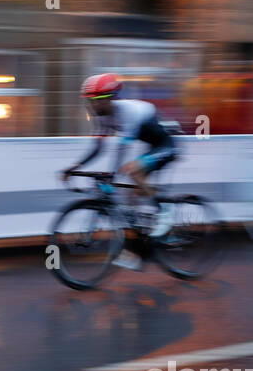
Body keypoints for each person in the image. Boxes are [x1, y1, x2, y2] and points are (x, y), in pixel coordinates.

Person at [60, 73, 180, 271]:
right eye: (89, 100)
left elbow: (122, 150)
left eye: (98, 100)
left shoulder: (127, 111)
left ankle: (166, 210)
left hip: (166, 146)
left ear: (111, 98)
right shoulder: (103, 118)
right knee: (130, 198)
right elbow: (98, 148)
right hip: (152, 148)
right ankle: (141, 248)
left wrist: (111, 176)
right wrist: (76, 167)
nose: (93, 105)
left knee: (133, 171)